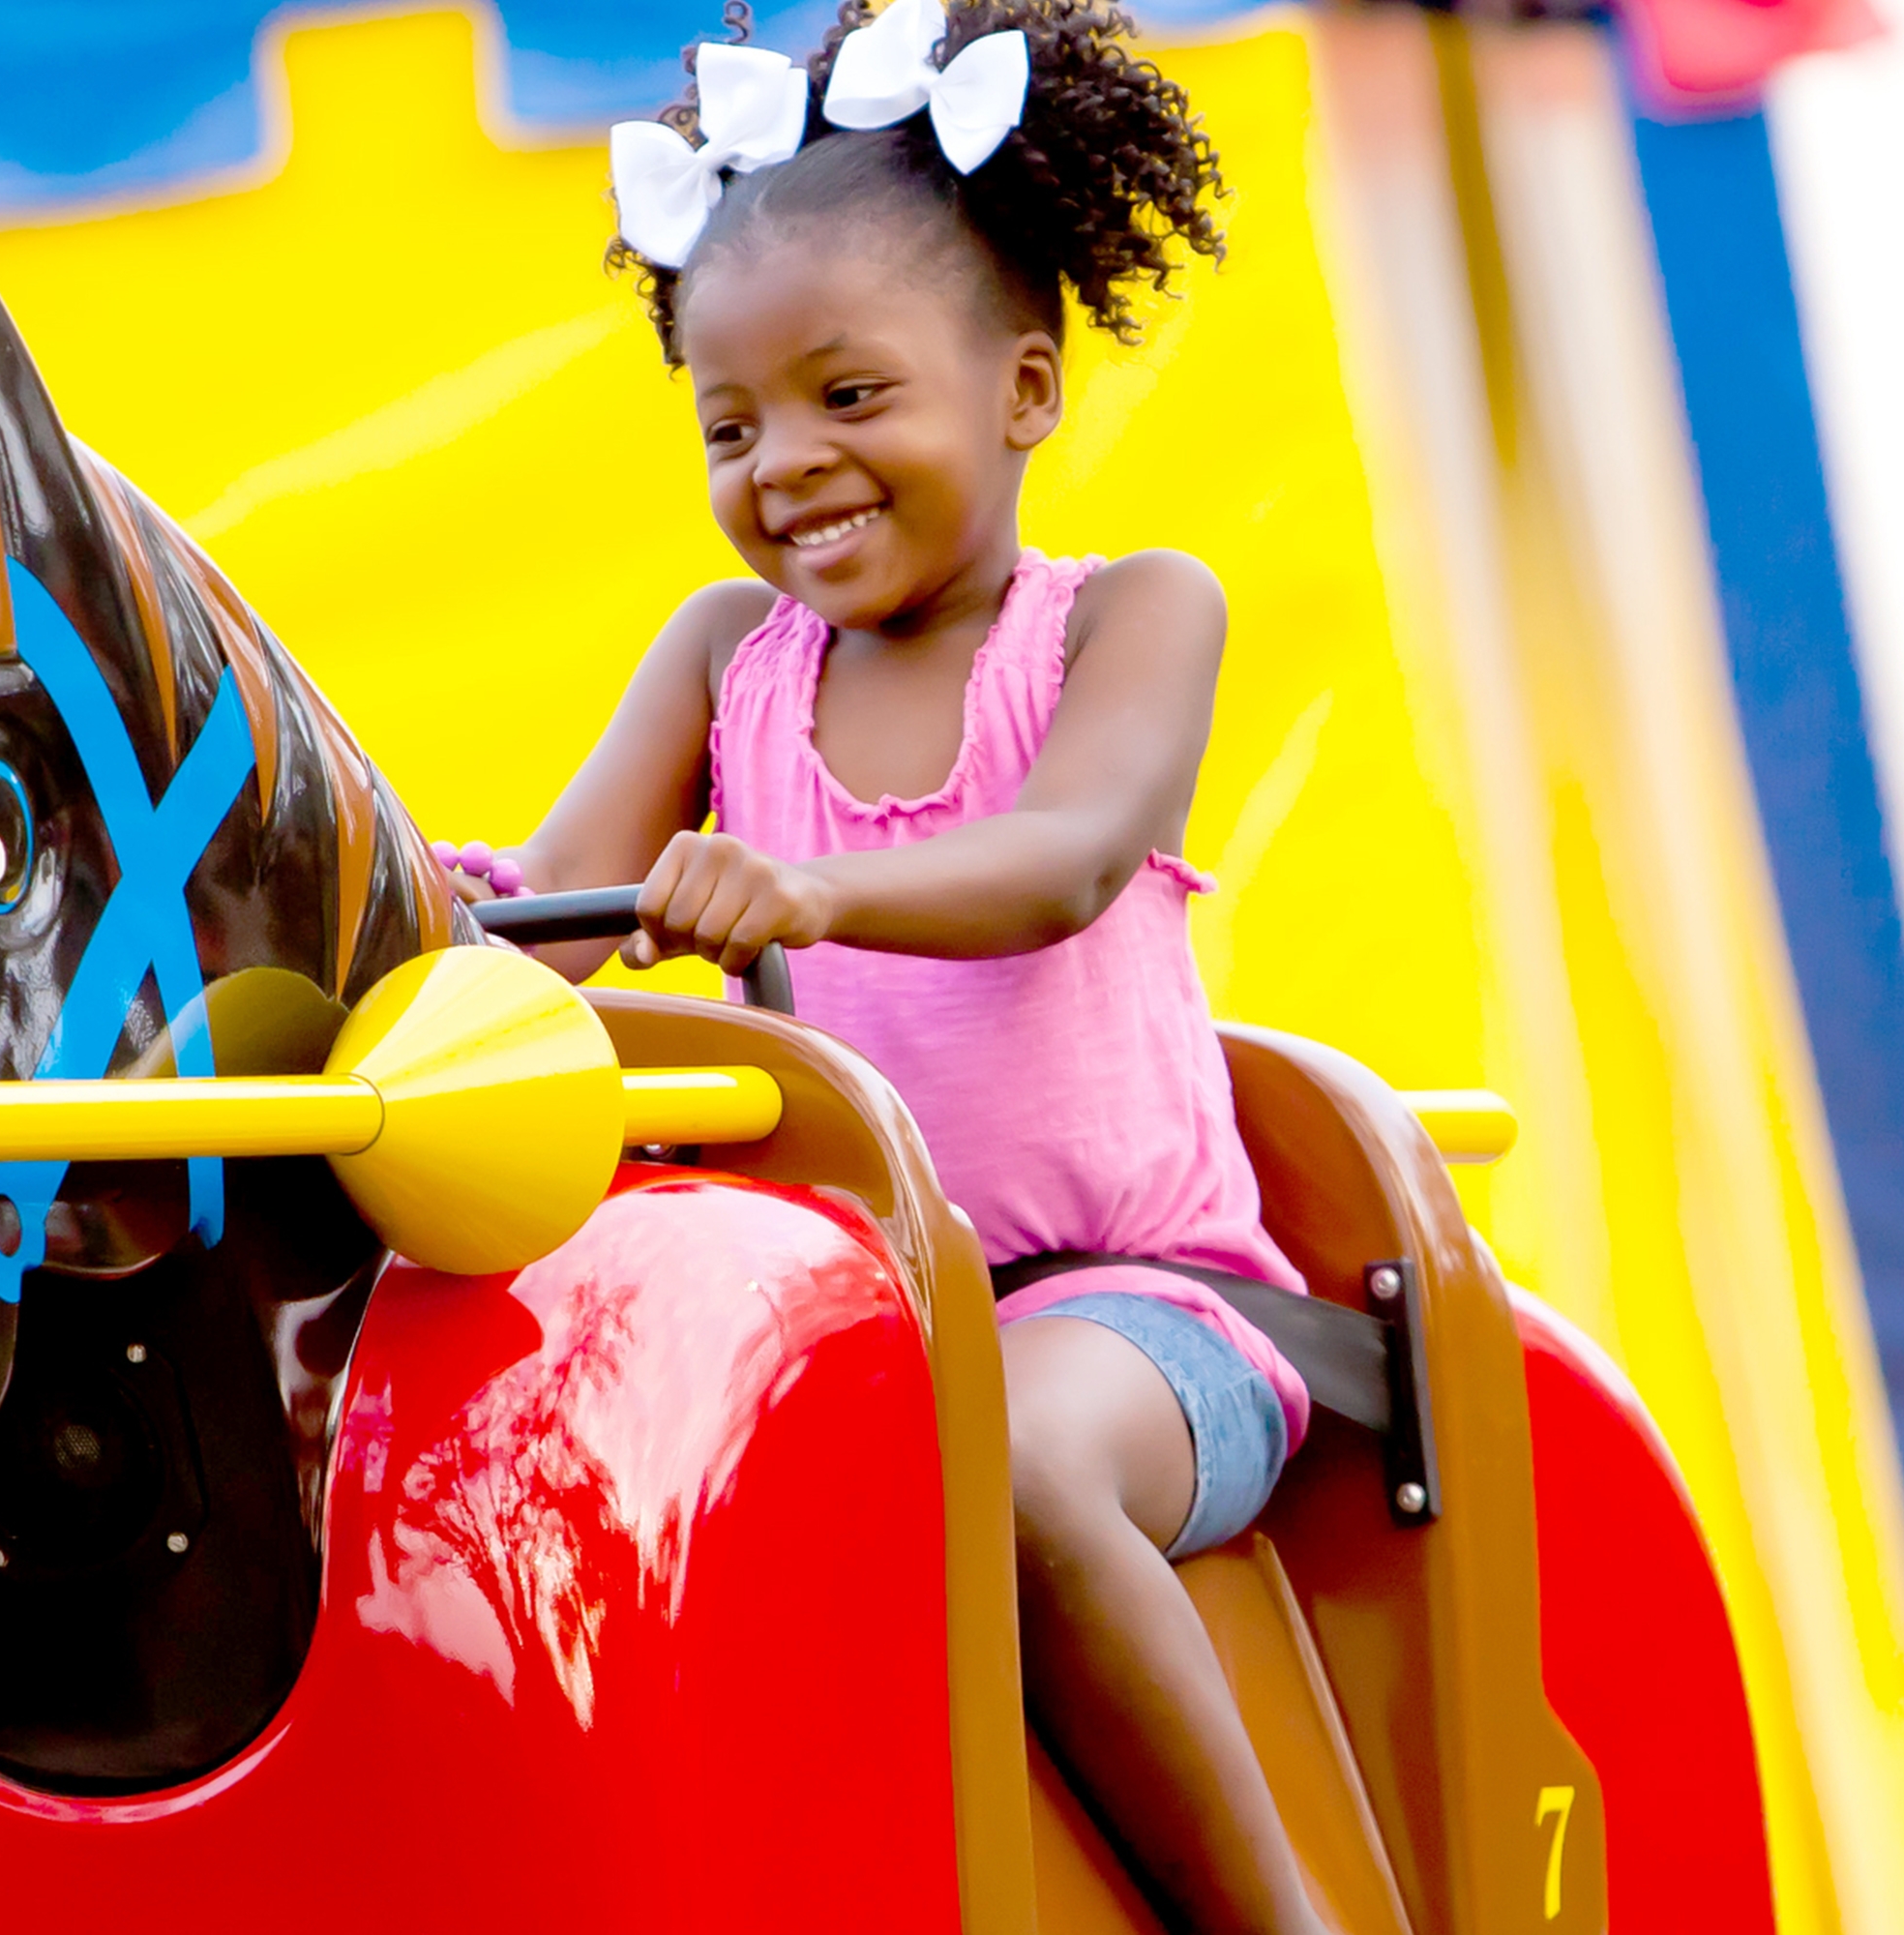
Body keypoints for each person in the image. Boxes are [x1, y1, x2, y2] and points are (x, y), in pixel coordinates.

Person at [430, 2, 1334, 1925]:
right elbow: (550, 924)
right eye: (730, 425)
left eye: (851, 396)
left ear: (1020, 388)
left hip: (1136, 1315)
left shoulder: (1126, 618)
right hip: (854, 1340)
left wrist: (814, 893)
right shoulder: (716, 661)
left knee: (1014, 1465)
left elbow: (1066, 857)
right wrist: (390, 896)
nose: (789, 468)